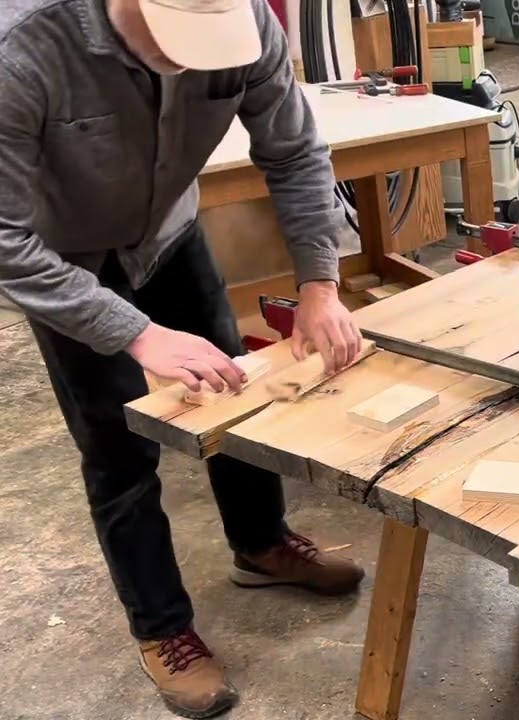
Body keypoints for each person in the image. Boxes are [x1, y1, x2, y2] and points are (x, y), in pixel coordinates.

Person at [0, 0, 369, 715]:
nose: (187, 60)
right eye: (173, 40)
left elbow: (292, 151)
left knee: (238, 393)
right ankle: (161, 625)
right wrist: (135, 333)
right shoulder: (22, 52)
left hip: (169, 232)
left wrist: (320, 285)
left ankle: (261, 546)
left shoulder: (245, 24)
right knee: (119, 446)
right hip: (68, 258)